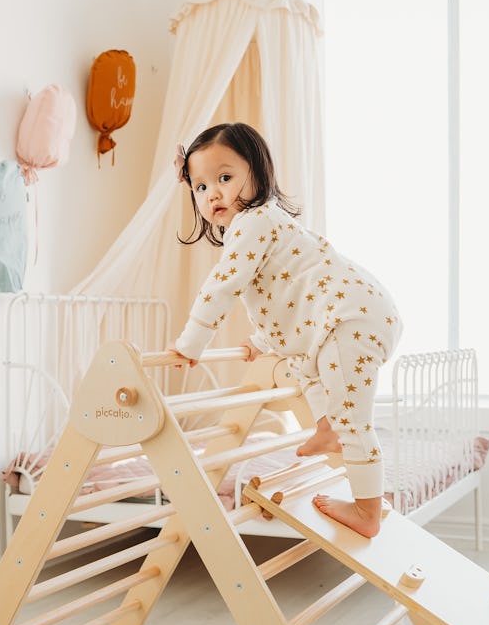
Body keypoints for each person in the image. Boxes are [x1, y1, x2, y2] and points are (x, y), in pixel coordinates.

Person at [169, 122, 402, 538]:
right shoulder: (260, 227)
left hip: (350, 318)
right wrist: (262, 340)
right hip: (337, 318)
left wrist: (191, 343)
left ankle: (368, 511)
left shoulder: (252, 223)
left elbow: (223, 286)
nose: (214, 194)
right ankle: (327, 430)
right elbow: (287, 295)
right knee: (303, 366)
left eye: (225, 178)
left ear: (258, 174)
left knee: (353, 418)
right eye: (200, 187)